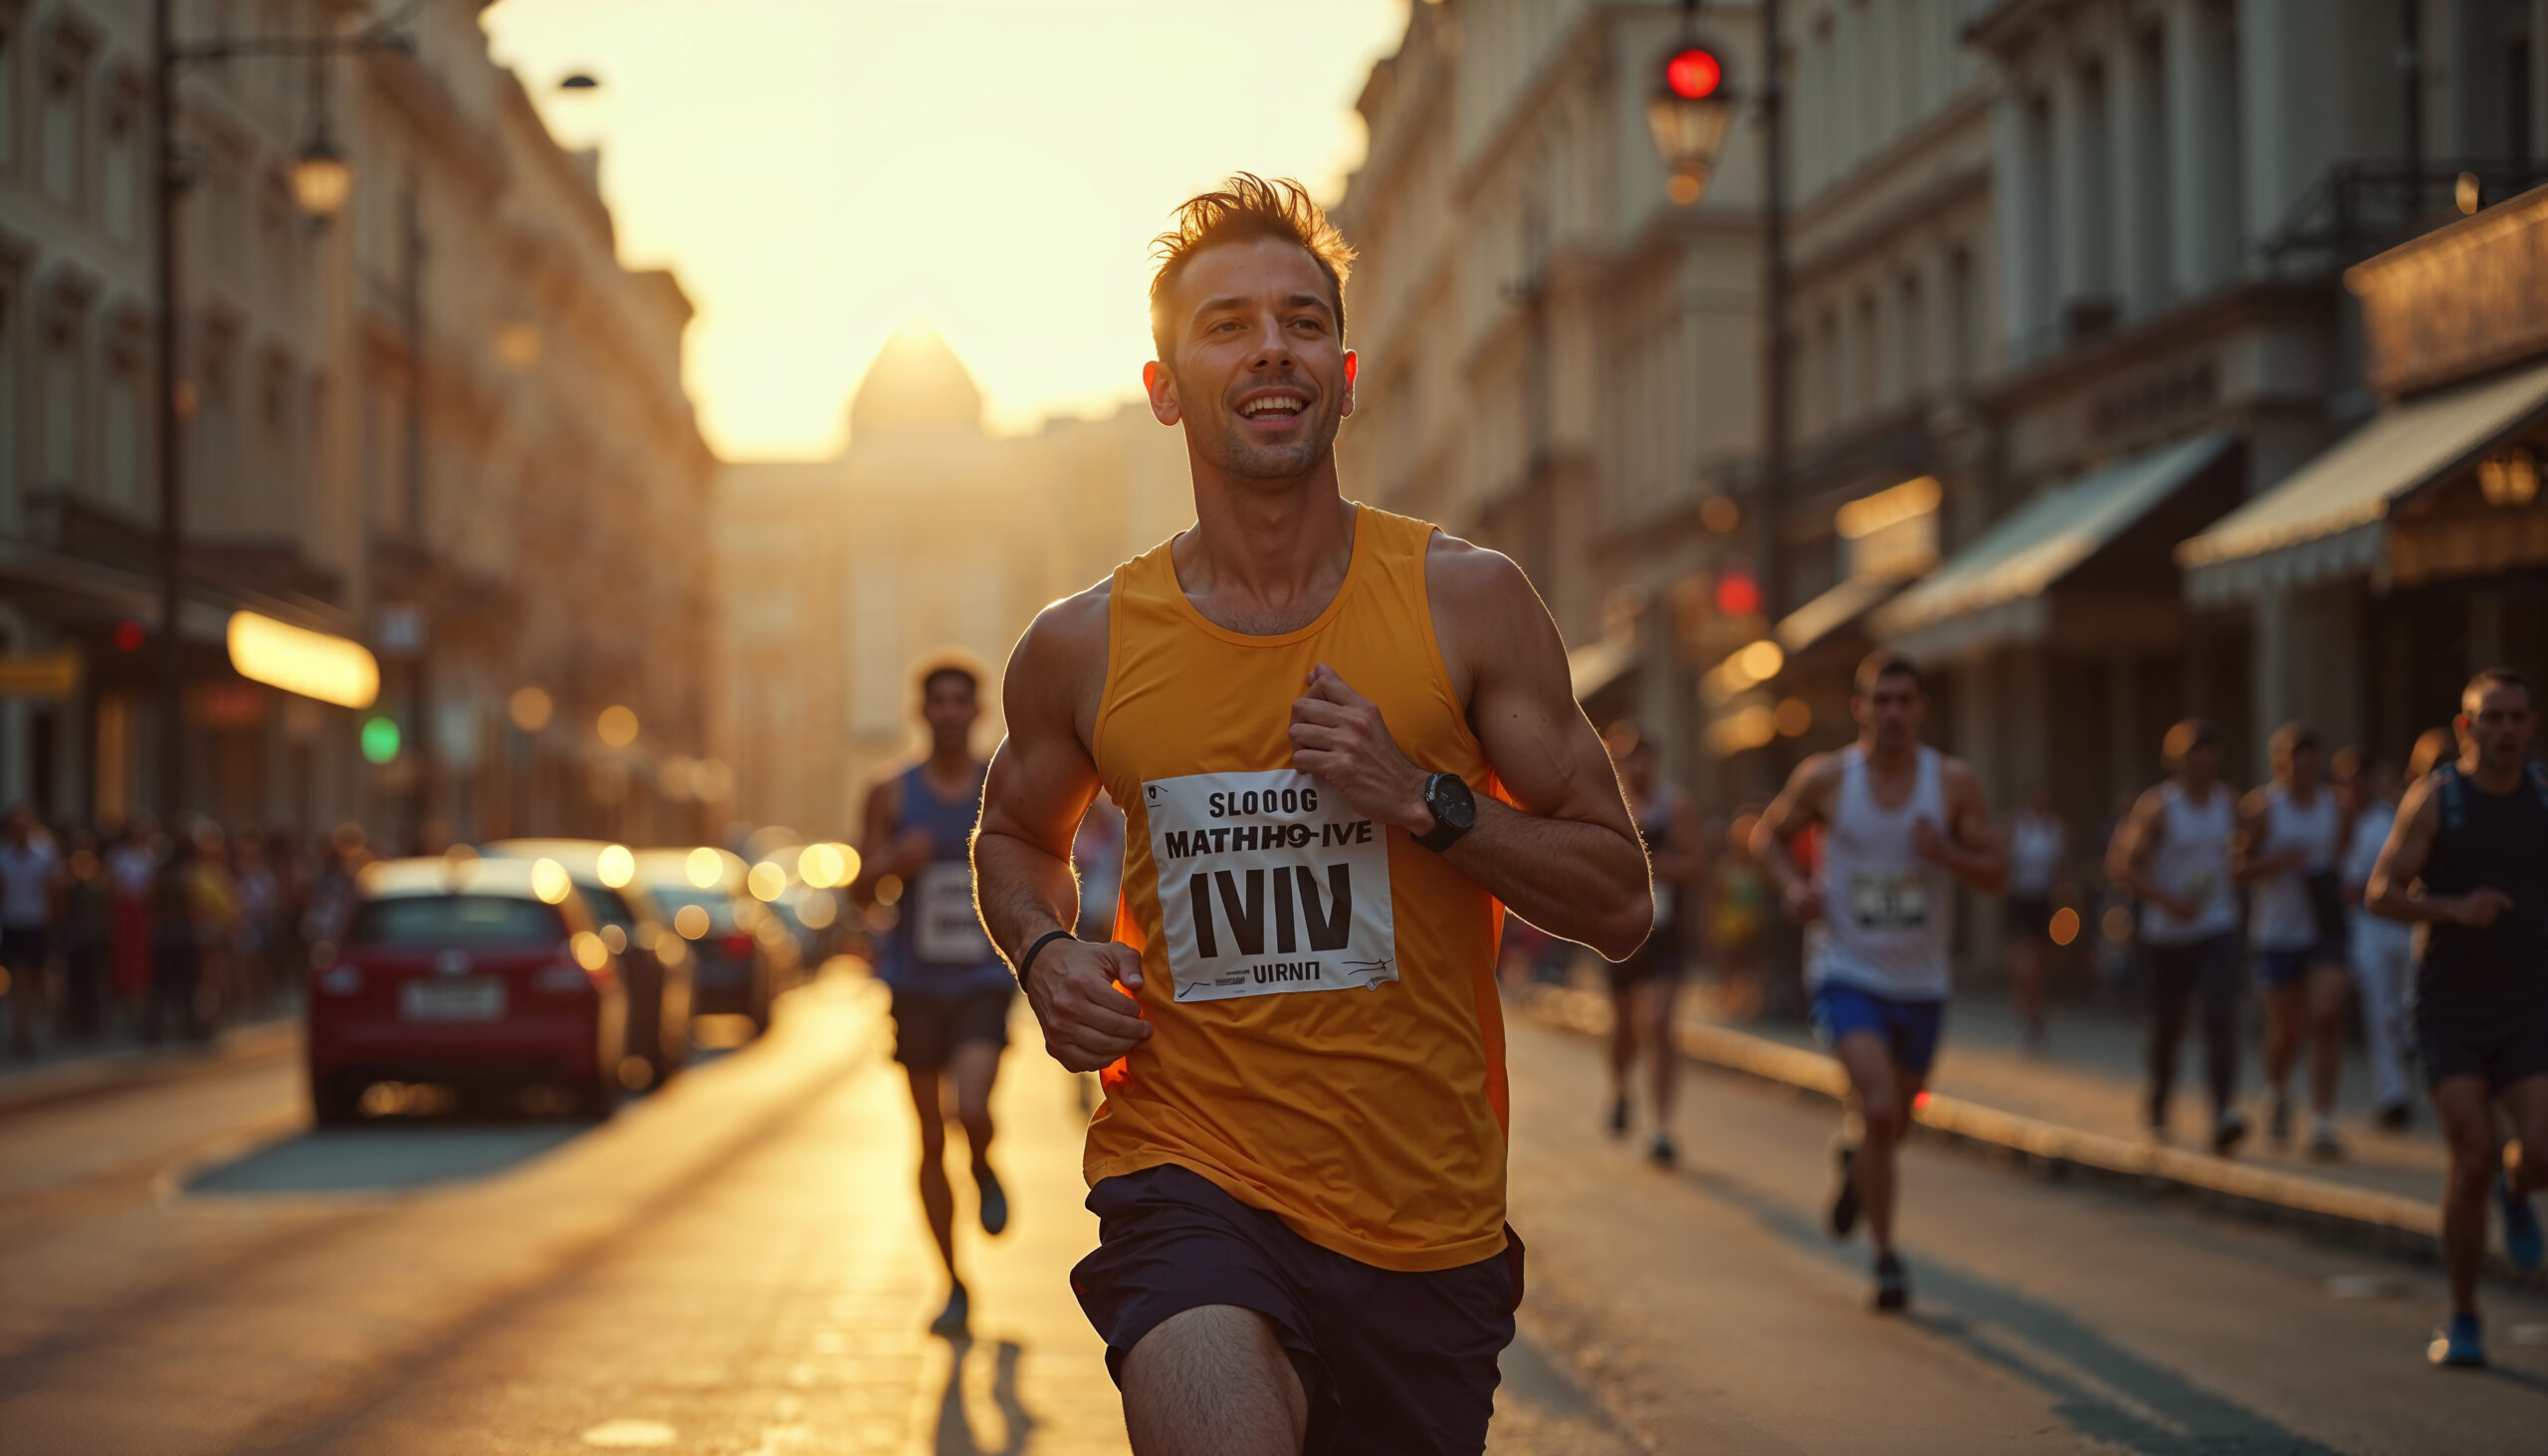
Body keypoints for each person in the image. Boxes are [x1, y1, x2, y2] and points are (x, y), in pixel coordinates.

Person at [971, 174, 1651, 1456]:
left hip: (1424, 1216)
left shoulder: (1467, 603)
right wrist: (1046, 949)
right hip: (1186, 1171)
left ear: (1340, 372)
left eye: (1298, 320)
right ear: (1167, 385)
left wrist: (1422, 799)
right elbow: (1015, 833)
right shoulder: (1083, 645)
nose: (1269, 346)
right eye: (1226, 324)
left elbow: (1619, 896)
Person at [1752, 653, 2005, 1313]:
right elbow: (1765, 836)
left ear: (1921, 708)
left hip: (1922, 982)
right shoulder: (1828, 778)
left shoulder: (1951, 783)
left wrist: (1946, 854)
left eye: (1904, 700)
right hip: (1846, 970)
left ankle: (1858, 1166)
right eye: (1880, 700)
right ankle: (1888, 1260)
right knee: (1884, 1105)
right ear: (1860, 708)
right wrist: (1793, 886)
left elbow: (1997, 871)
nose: (1893, 712)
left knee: (1890, 1127)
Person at [2367, 670, 2548, 1368]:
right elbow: (2380, 892)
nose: (2505, 728)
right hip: (2450, 1005)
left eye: (2517, 716)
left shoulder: (2541, 798)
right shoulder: (2437, 801)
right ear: (2467, 727)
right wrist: (2451, 906)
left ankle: (2518, 1184)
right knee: (2469, 1155)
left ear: (2530, 725)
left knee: (2538, 1154)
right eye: (2491, 717)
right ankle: (2465, 1314)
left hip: (2528, 1000)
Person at [855, 656, 1017, 1340]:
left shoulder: (1002, 785)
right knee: (926, 1135)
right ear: (921, 712)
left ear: (978, 711)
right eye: (938, 702)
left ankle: (982, 1160)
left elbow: (1041, 864)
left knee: (970, 1108)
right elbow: (859, 891)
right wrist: (895, 862)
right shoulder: (891, 793)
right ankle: (952, 1282)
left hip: (982, 979)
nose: (949, 712)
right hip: (916, 984)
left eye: (961, 701)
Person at [2109, 721, 2247, 1154]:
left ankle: (2223, 1112)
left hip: (2217, 925)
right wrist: (2167, 901)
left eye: (2207, 750)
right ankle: (2158, 1110)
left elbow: (2247, 853)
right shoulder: (2160, 807)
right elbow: (2123, 866)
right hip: (2167, 934)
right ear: (2176, 759)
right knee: (2168, 1025)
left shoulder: (2229, 803)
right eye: (2192, 752)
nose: (2200, 760)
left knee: (2220, 1017)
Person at [2235, 724, 2352, 1159]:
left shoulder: (2335, 806)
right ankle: (2278, 1091)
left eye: (2310, 755)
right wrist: (2277, 862)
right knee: (2285, 1031)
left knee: (2324, 1016)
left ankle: (2323, 1121)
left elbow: (2342, 857)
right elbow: (2238, 867)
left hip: (2323, 929)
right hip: (2277, 931)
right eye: (2294, 756)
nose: (2303, 764)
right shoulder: (2263, 807)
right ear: (2280, 761)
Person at [1603, 732, 1704, 1165]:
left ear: (1656, 761)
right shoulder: (1606, 802)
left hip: (1665, 934)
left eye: (1645, 760)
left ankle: (1662, 1126)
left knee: (1660, 1023)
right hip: (1619, 932)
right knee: (1624, 1025)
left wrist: (1651, 866)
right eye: (1629, 761)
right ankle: (1621, 1088)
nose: (1639, 769)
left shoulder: (1674, 805)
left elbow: (1695, 864)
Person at [2339, 748, 2424, 1129]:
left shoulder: (2392, 819)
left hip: (2400, 925)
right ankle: (2391, 1094)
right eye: (2350, 777)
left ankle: (2413, 1068)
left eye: (2363, 776)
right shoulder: (2337, 821)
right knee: (2379, 1009)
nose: (2357, 785)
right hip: (2363, 929)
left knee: (2406, 1012)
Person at [2003, 784, 2066, 1049]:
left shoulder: (2057, 829)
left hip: (2045, 903)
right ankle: (2026, 1017)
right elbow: (2001, 862)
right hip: (2020, 901)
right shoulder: (2015, 826)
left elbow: (2063, 869)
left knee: (2041, 966)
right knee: (2025, 967)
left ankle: (2037, 1014)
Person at [0, 808, 63, 1056]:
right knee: (19, 980)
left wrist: (55, 923)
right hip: (13, 923)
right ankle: (20, 1032)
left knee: (39, 983)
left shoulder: (44, 854)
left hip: (38, 924)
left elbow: (53, 891)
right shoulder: (3, 855)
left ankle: (33, 1030)